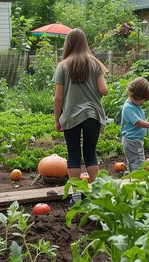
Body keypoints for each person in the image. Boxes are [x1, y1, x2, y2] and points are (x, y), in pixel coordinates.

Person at [53, 28, 108, 191]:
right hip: (92, 115)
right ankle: (98, 194)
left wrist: (57, 119)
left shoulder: (62, 66)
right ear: (85, 43)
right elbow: (104, 90)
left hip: (70, 117)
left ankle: (76, 195)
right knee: (90, 154)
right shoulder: (95, 63)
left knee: (73, 155)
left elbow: (58, 97)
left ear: (67, 44)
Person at [120, 77, 149, 171]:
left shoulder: (134, 105)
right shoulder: (128, 107)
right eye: (142, 100)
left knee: (136, 161)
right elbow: (138, 123)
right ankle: (138, 181)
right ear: (135, 95)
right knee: (138, 164)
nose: (143, 102)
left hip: (135, 141)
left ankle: (134, 178)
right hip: (132, 142)